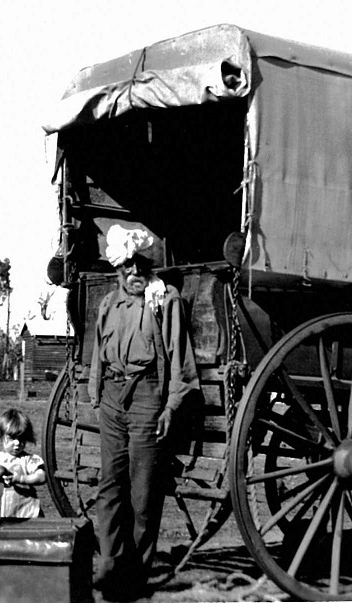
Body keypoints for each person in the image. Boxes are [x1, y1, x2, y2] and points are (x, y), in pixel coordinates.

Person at [89, 224, 198, 600]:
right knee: (109, 488)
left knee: (143, 494)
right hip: (113, 398)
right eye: (126, 268)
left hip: (149, 396)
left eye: (139, 266)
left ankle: (133, 579)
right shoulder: (108, 303)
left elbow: (180, 359)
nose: (134, 274)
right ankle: (109, 567)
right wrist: (96, 391)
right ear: (117, 269)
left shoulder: (164, 300)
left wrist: (170, 406)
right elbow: (98, 354)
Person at [0, 408, 46, 518]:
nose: (17, 443)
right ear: (1, 437)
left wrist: (21, 479)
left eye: (21, 438)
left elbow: (42, 477)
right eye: (12, 438)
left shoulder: (28, 459)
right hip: (2, 512)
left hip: (27, 512)